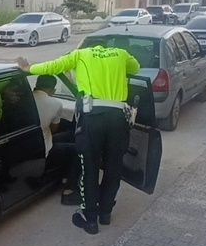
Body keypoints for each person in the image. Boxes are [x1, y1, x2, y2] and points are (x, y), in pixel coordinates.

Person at [18, 45, 140, 235]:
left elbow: (53, 66)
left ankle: (90, 220)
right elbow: (136, 68)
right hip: (118, 118)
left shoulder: (80, 54)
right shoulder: (121, 53)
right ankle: (105, 213)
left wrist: (29, 68)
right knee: (113, 168)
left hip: (93, 117)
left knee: (90, 168)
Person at [32, 75, 80, 204]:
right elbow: (53, 129)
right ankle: (70, 188)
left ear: (36, 84)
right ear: (52, 89)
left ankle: (63, 175)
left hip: (30, 142)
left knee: (69, 135)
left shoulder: (25, 99)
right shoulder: (56, 104)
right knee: (78, 149)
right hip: (44, 149)